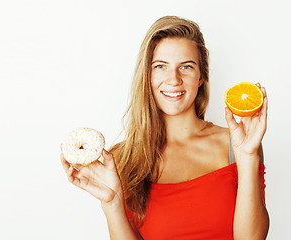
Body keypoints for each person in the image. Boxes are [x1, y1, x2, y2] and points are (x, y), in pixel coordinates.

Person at [60, 16, 269, 239]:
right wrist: (112, 203)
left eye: (186, 67)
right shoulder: (122, 157)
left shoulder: (236, 145)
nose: (173, 79)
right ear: (147, 75)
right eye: (160, 66)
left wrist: (247, 157)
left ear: (201, 77)